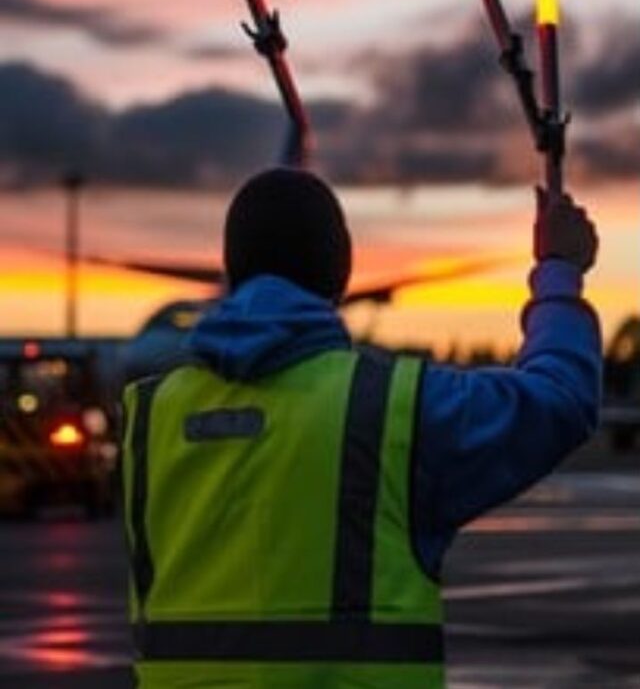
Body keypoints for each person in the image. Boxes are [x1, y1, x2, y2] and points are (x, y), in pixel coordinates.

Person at [121, 167, 601, 688]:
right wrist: (558, 271)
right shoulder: (389, 409)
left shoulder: (148, 418)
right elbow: (559, 400)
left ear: (230, 273)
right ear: (342, 274)